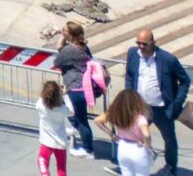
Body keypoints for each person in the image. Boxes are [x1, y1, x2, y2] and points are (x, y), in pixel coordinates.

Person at [128, 28, 193, 174]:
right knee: (134, 135)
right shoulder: (133, 54)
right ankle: (133, 164)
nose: (141, 47)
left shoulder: (168, 59)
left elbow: (185, 81)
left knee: (169, 139)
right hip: (141, 107)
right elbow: (130, 75)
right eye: (138, 43)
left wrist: (176, 104)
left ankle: (170, 168)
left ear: (153, 43)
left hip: (162, 108)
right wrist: (128, 95)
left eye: (144, 44)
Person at [55, 24, 107, 160]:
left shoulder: (69, 50)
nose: (62, 32)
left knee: (81, 120)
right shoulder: (84, 47)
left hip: (76, 88)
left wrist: (62, 38)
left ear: (70, 36)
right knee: (75, 113)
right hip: (84, 87)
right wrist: (64, 35)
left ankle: (88, 149)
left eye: (64, 31)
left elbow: (58, 61)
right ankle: (76, 126)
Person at [105, 90, 160, 176]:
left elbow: (97, 121)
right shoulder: (140, 118)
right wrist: (148, 146)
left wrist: (111, 134)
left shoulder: (118, 115)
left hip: (122, 148)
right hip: (138, 149)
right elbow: (146, 134)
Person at [40, 76, 78, 176]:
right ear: (58, 95)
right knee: (61, 168)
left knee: (42, 162)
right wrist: (65, 94)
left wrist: (49, 91)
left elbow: (43, 98)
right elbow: (72, 111)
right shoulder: (62, 109)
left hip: (47, 141)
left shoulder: (40, 105)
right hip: (61, 141)